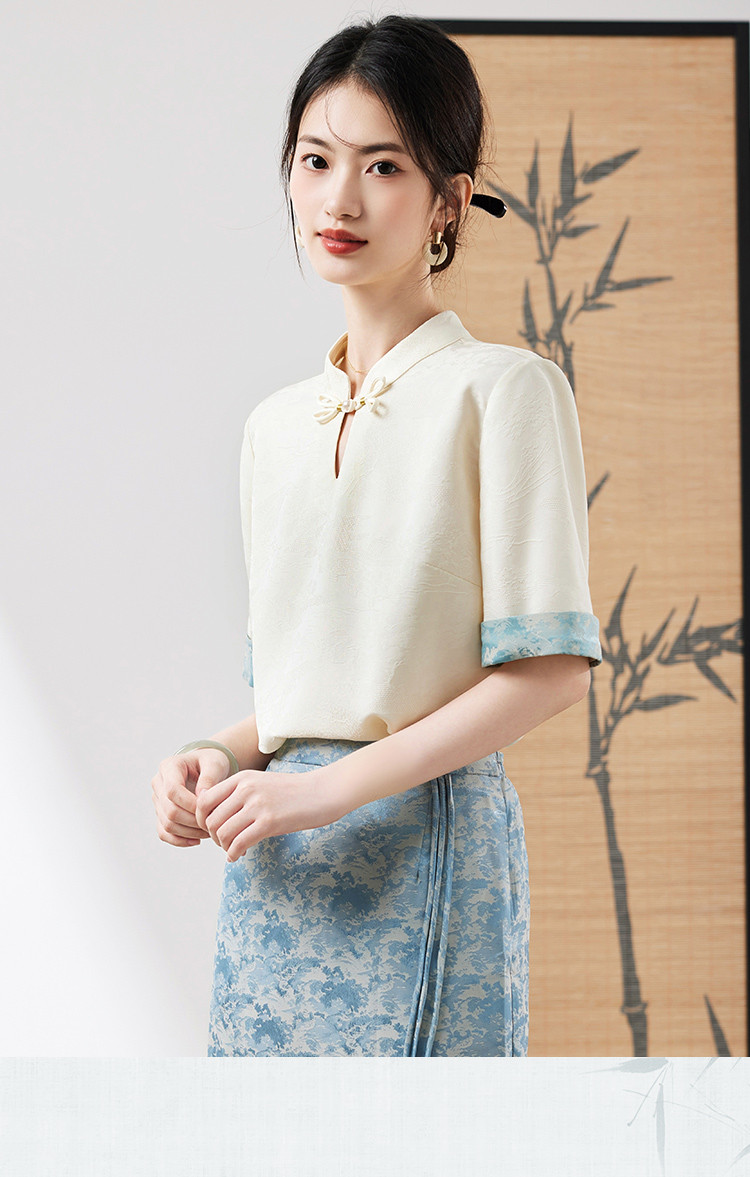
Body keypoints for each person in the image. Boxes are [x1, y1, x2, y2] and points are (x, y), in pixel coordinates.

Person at [150, 13, 602, 1057]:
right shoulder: (272, 427)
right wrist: (212, 756)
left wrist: (320, 792)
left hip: (423, 842)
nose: (339, 199)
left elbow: (549, 671)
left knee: (421, 1134)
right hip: (275, 858)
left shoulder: (506, 391)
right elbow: (307, 694)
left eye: (383, 166)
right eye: (316, 160)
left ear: (449, 201)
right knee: (259, 1135)